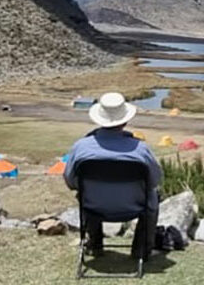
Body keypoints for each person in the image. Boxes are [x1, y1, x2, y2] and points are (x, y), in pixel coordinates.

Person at [64, 92, 162, 256]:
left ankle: (94, 245)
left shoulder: (81, 147)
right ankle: (141, 251)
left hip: (93, 206)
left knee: (85, 193)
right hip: (134, 207)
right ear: (125, 120)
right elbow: (154, 181)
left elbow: (70, 181)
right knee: (153, 196)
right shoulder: (141, 149)